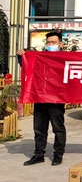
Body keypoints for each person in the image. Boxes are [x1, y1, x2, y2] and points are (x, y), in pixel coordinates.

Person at [17, 31, 67, 166]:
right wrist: (21, 57)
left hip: (56, 99)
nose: (50, 44)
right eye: (48, 42)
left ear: (60, 44)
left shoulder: (66, 58)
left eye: (53, 42)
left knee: (58, 128)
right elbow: (27, 66)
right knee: (39, 129)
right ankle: (39, 154)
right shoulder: (40, 57)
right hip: (40, 97)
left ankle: (58, 154)